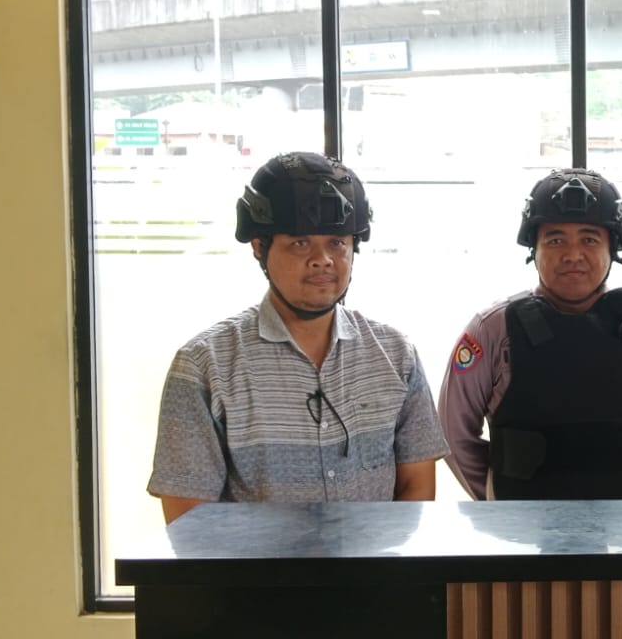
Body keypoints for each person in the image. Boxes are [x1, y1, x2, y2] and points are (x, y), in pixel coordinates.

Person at [147, 151, 446, 521]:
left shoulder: (397, 356)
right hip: (253, 563)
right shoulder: (204, 367)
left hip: (378, 562)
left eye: (337, 242)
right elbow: (189, 521)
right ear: (259, 247)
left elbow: (417, 490)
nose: (323, 259)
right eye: (300, 243)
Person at [437, 167, 622, 500]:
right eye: (555, 240)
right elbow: (453, 434)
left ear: (613, 248)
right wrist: (498, 504)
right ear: (533, 248)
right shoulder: (490, 330)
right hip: (520, 529)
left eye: (589, 239)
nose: (573, 255)